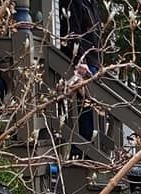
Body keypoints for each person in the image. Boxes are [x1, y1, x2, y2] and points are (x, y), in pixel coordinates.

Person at [60, 0, 101, 158]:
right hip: (81, 63)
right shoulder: (74, 2)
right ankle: (80, 153)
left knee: (92, 110)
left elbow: (95, 37)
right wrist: (79, 61)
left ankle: (87, 151)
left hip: (93, 63)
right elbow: (71, 32)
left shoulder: (93, 5)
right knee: (85, 111)